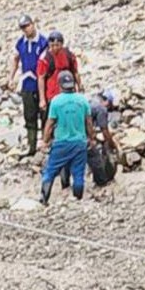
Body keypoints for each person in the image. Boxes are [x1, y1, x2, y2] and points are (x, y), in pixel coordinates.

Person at [39, 71, 93, 205]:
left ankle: (44, 199)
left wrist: (45, 141)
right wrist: (91, 138)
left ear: (60, 85)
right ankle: (77, 201)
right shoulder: (83, 100)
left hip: (61, 143)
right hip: (79, 142)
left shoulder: (56, 102)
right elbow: (89, 122)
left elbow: (50, 123)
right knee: (78, 173)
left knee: (50, 171)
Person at [12, 15, 49, 153]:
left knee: (45, 115)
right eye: (23, 27)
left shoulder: (43, 42)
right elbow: (15, 58)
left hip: (42, 83)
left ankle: (46, 143)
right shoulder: (21, 43)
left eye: (27, 26)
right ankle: (32, 146)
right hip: (27, 83)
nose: (26, 29)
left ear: (33, 24)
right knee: (29, 116)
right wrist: (11, 77)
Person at [35, 30, 81, 118]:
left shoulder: (68, 55)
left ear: (62, 44)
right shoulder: (45, 58)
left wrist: (79, 87)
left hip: (69, 93)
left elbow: (75, 72)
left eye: (57, 45)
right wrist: (42, 99)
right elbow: (41, 78)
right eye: (52, 45)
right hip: (52, 95)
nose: (55, 48)